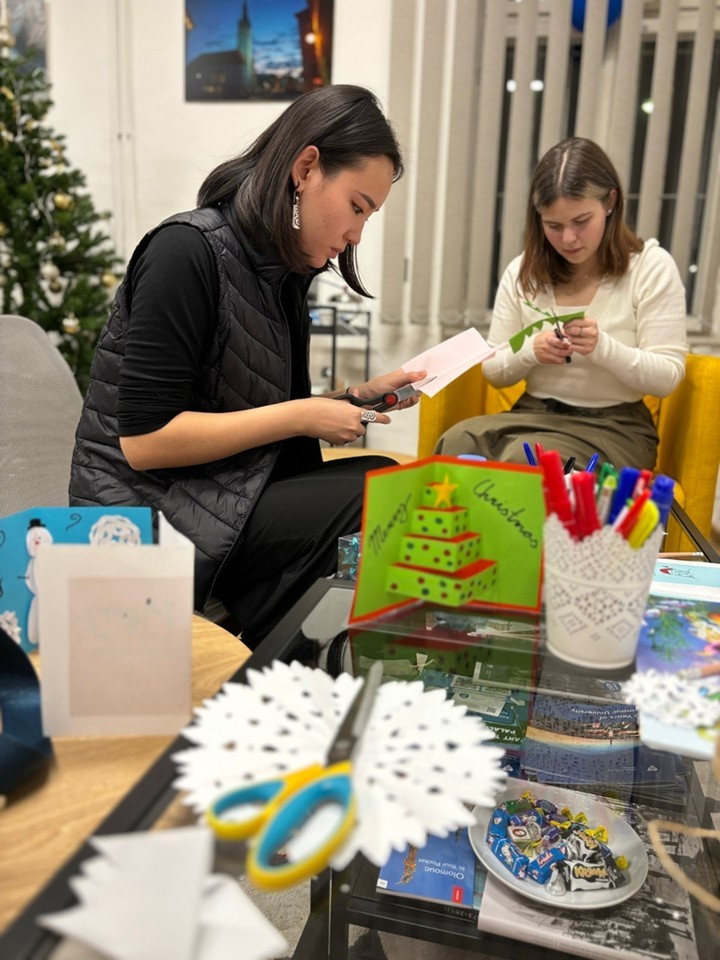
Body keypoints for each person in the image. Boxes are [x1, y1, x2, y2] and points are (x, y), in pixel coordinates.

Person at [70, 84, 423, 647]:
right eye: (357, 207)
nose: (357, 234)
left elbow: (256, 408)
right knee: (375, 493)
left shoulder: (279, 272)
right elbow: (143, 442)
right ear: (306, 168)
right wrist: (305, 415)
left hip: (221, 491)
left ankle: (292, 657)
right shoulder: (184, 251)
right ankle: (279, 663)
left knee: (387, 477)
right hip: (148, 511)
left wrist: (350, 399)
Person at [435, 137, 687, 470]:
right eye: (553, 226)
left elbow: (668, 376)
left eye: (581, 221)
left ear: (610, 202)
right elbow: (494, 372)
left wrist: (602, 347)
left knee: (523, 461)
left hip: (616, 426)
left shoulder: (649, 268)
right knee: (455, 442)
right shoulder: (523, 272)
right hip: (533, 413)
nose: (568, 239)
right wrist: (530, 351)